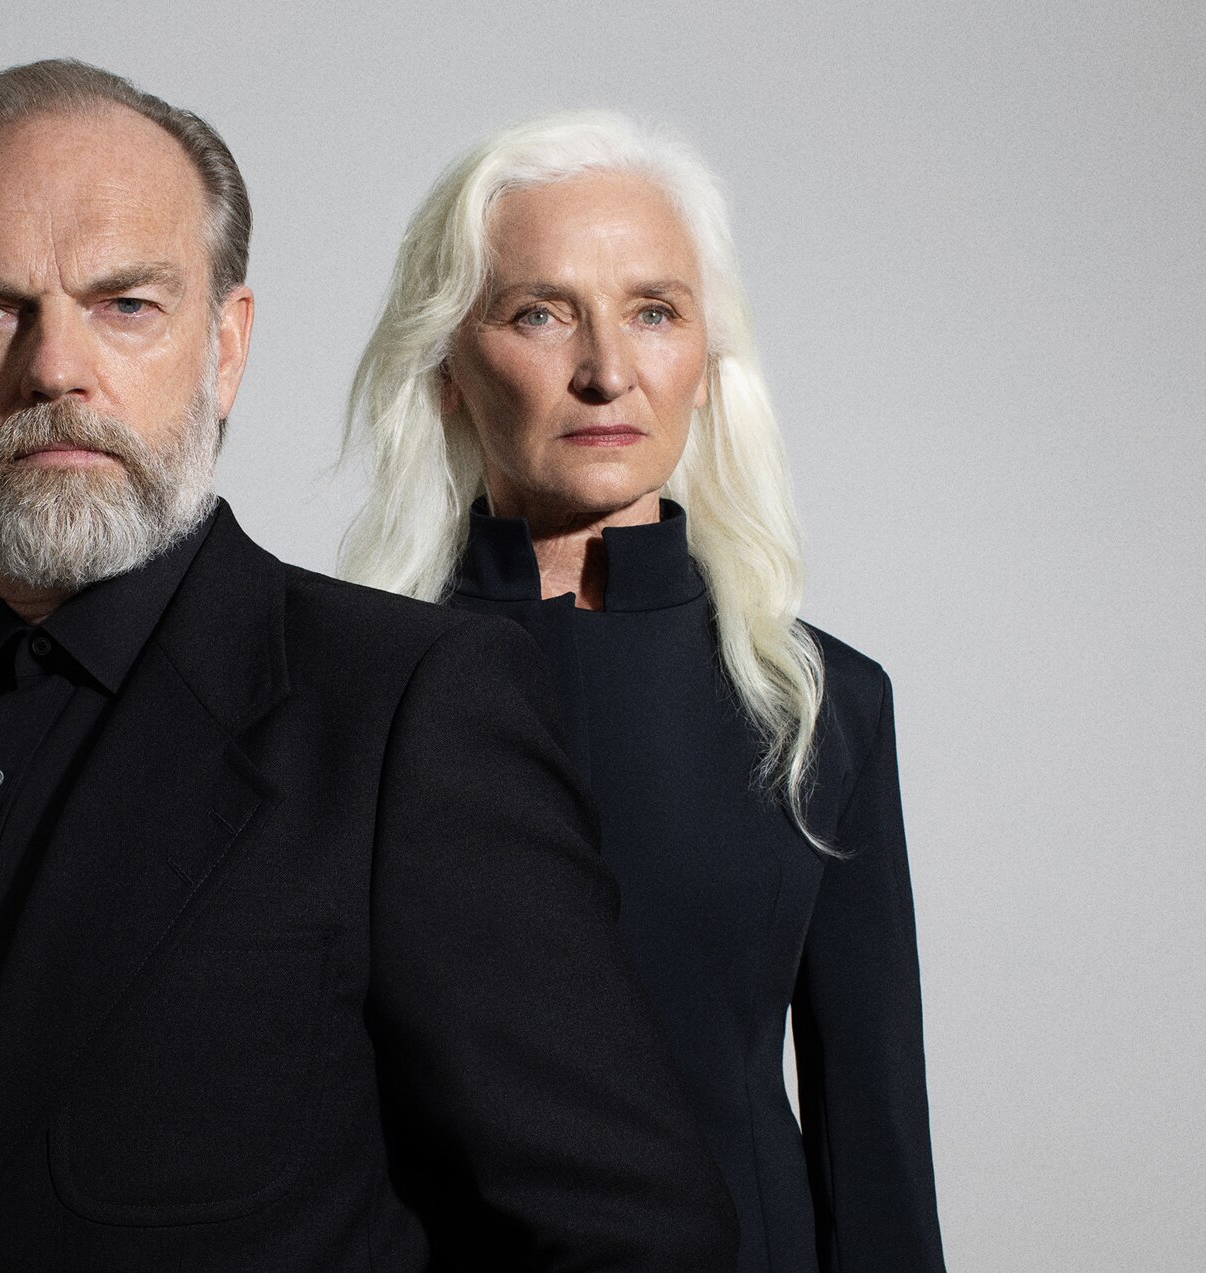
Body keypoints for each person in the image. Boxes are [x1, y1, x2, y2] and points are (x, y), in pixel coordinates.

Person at [0, 62, 738, 1273]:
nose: (55, 368)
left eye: (124, 304)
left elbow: (636, 1237)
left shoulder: (407, 709)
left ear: (226, 347)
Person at [341, 111, 946, 1273]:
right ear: (448, 367)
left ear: (708, 363)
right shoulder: (343, 691)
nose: (607, 369)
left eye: (654, 311)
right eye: (539, 311)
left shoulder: (826, 705)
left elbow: (875, 1152)